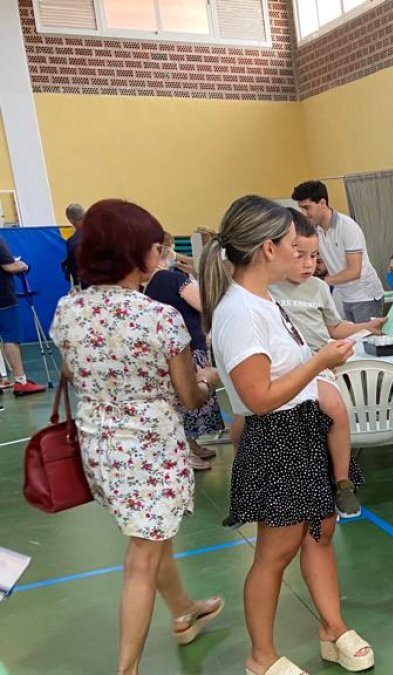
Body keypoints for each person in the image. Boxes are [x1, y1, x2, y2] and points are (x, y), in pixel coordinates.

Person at [50, 199, 224, 675]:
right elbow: (189, 397)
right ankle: (126, 669)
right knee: (142, 556)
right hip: (150, 449)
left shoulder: (68, 310)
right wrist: (208, 378)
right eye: (156, 247)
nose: (160, 255)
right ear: (135, 253)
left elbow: (71, 369)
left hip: (100, 446)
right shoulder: (158, 318)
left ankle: (184, 610)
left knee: (151, 537)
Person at [201, 195, 373, 675]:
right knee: (275, 552)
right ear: (267, 248)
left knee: (320, 533)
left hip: (303, 426)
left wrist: (316, 367)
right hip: (276, 436)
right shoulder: (240, 311)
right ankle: (261, 656)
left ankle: (332, 628)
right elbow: (259, 397)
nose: (301, 253)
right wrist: (320, 363)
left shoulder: (267, 300)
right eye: (291, 244)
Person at [269, 208, 384, 518]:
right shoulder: (268, 289)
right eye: (300, 256)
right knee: (244, 424)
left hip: (319, 366)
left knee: (335, 409)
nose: (309, 264)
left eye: (315, 257)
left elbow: (334, 328)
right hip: (283, 369)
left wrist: (368, 326)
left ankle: (343, 481)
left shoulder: (319, 288)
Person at [143, 231, 225, 471]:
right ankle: (186, 449)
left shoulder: (150, 285)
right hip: (189, 347)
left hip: (174, 348)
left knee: (181, 401)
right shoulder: (172, 279)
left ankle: (191, 444)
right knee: (192, 399)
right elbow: (204, 304)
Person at [291, 180, 385, 323]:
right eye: (301, 208)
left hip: (365, 295)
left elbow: (354, 271)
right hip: (344, 294)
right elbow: (331, 263)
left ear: (322, 203)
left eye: (306, 207)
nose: (304, 213)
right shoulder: (316, 230)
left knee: (367, 340)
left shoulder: (347, 227)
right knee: (351, 340)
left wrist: (320, 282)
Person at [0, 231, 47, 395]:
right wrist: (23, 265)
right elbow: (9, 265)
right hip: (3, 298)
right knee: (10, 338)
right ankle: (20, 381)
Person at [62, 202, 87, 288]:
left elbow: (72, 268)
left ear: (71, 220)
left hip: (87, 284)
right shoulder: (103, 232)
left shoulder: (73, 241)